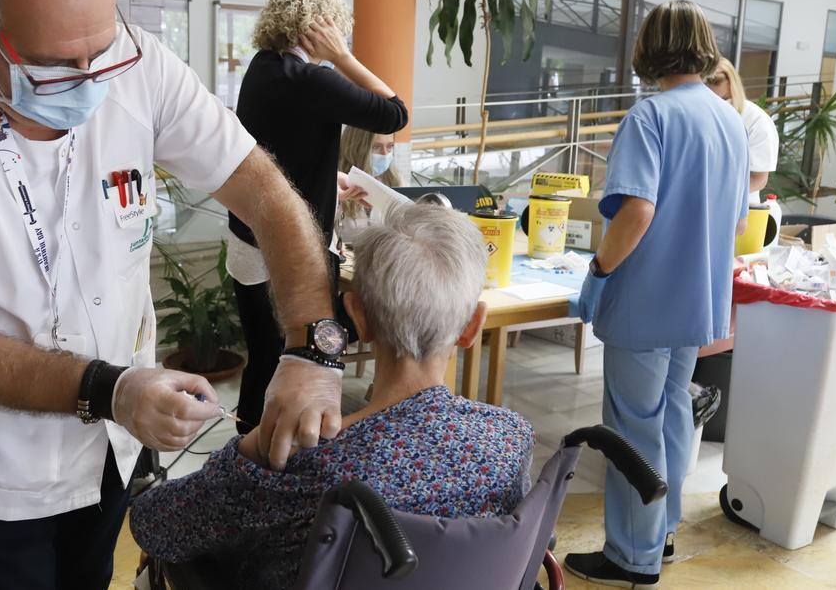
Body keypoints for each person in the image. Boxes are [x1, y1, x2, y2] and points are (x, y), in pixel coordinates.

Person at [0, 0, 345, 587]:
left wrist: (312, 346)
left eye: (100, 51)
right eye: (52, 64)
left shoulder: (138, 68)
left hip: (112, 447)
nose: (87, 79)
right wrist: (111, 388)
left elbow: (263, 190)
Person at [131, 202, 535, 590]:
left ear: (357, 317)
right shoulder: (510, 438)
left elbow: (154, 526)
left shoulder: (308, 463)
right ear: (472, 327)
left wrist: (246, 454)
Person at [566, 0, 750, 588]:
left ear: (647, 47)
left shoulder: (651, 118)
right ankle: (662, 534)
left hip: (644, 303)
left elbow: (637, 211)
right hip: (696, 303)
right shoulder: (728, 120)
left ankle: (632, 556)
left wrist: (597, 271)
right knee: (671, 413)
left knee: (631, 429)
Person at [226, 0, 409, 433]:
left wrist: (331, 175)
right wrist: (343, 57)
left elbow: (277, 147)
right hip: (291, 245)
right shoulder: (311, 79)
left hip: (249, 237)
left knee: (264, 354)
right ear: (322, 26)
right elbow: (394, 111)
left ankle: (246, 446)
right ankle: (276, 454)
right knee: (298, 357)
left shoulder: (264, 68)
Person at [705, 57, 779, 202]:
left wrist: (716, 196)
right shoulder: (697, 113)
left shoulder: (756, 120)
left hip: (735, 205)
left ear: (732, 84)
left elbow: (759, 179)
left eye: (714, 82)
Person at [336, 126, 403, 243]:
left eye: (390, 146)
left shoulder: (395, 182)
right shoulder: (337, 184)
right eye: (376, 147)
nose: (385, 154)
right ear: (356, 148)